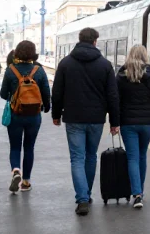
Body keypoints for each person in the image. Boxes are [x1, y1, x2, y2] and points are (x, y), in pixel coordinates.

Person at [51, 27, 120, 216]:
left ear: (79, 40)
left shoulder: (65, 64)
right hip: (96, 119)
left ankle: (82, 199)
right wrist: (115, 121)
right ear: (95, 41)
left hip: (73, 118)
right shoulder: (105, 65)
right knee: (91, 156)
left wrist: (55, 114)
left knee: (77, 158)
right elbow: (113, 96)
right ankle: (86, 194)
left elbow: (57, 92)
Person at [116, 45, 150, 209]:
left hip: (128, 123)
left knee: (132, 157)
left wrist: (114, 122)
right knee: (142, 156)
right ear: (145, 57)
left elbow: (116, 102)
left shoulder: (121, 76)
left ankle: (137, 194)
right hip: (146, 123)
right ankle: (140, 193)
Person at [0, 40, 51, 193]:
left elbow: (3, 94)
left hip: (15, 114)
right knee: (29, 147)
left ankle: (16, 170)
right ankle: (26, 182)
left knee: (15, 147)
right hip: (34, 115)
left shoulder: (10, 70)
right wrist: (47, 107)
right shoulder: (39, 70)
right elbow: (46, 92)